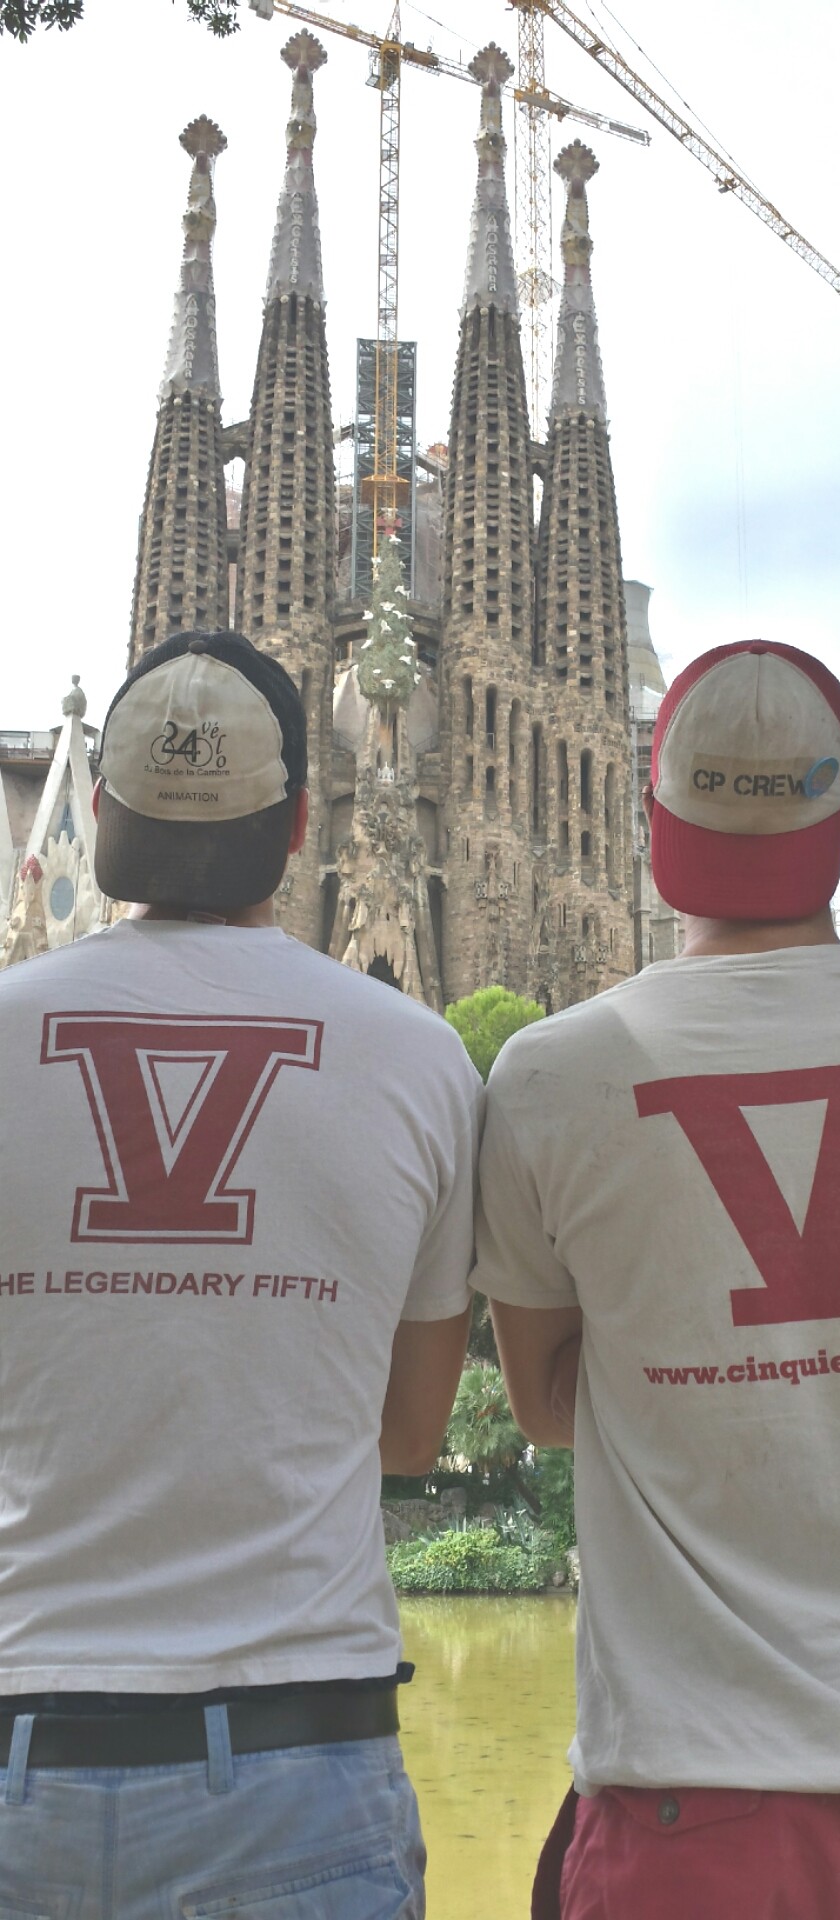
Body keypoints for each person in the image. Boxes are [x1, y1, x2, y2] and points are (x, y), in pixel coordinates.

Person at [473, 639, 840, 1920]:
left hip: (690, 1809)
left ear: (655, 822)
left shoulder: (544, 1076)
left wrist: (678, 1359)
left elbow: (542, 1403)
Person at [0, 631, 480, 1916]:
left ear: (99, 817)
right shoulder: (425, 1061)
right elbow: (410, 1431)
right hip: (298, 1758)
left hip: (21, 1746)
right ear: (300, 823)